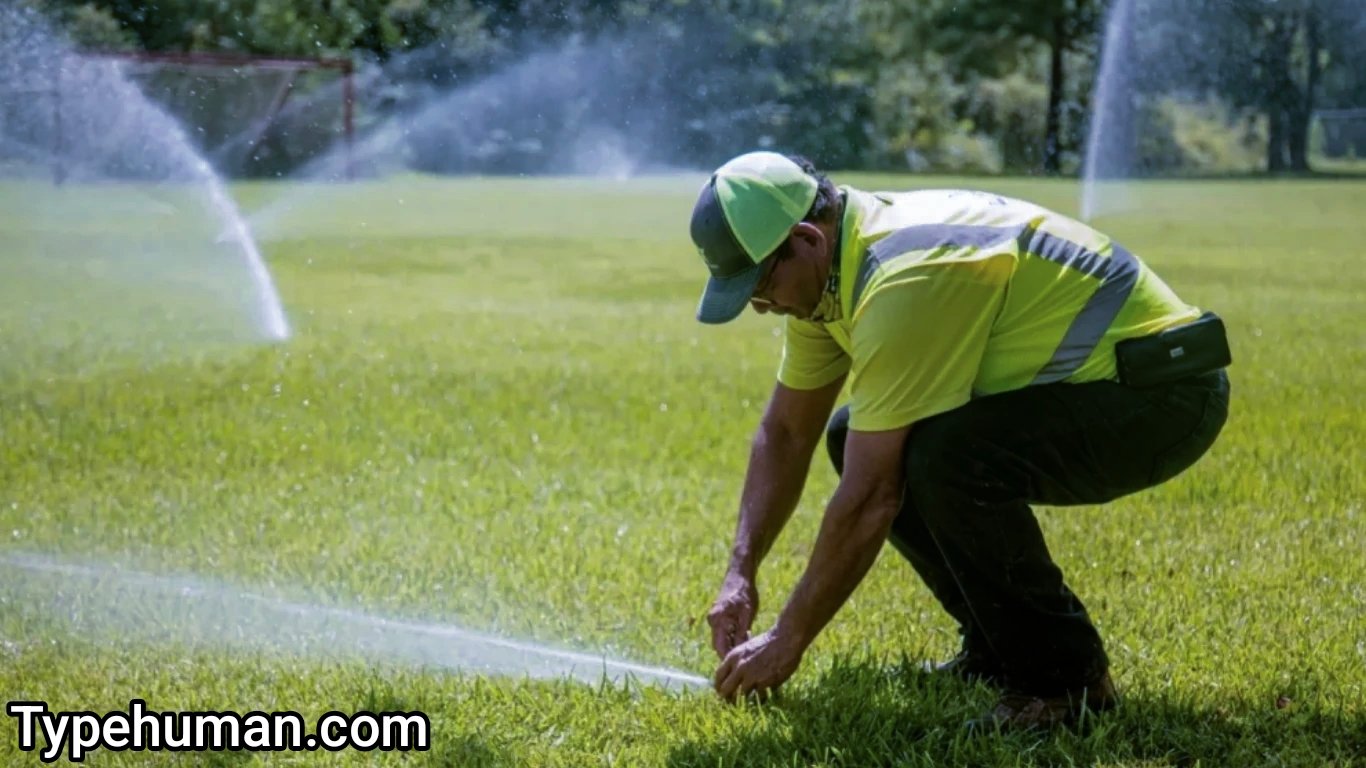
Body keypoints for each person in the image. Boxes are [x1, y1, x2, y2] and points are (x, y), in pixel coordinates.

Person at [690, 151, 1231, 730]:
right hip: (1126, 385)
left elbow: (872, 495)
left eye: (762, 281)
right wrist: (740, 572)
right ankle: (998, 653)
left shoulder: (906, 274)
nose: (759, 304)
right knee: (854, 436)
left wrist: (787, 639)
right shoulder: (833, 278)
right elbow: (786, 432)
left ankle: (1064, 682)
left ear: (806, 239)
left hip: (1164, 393)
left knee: (947, 458)